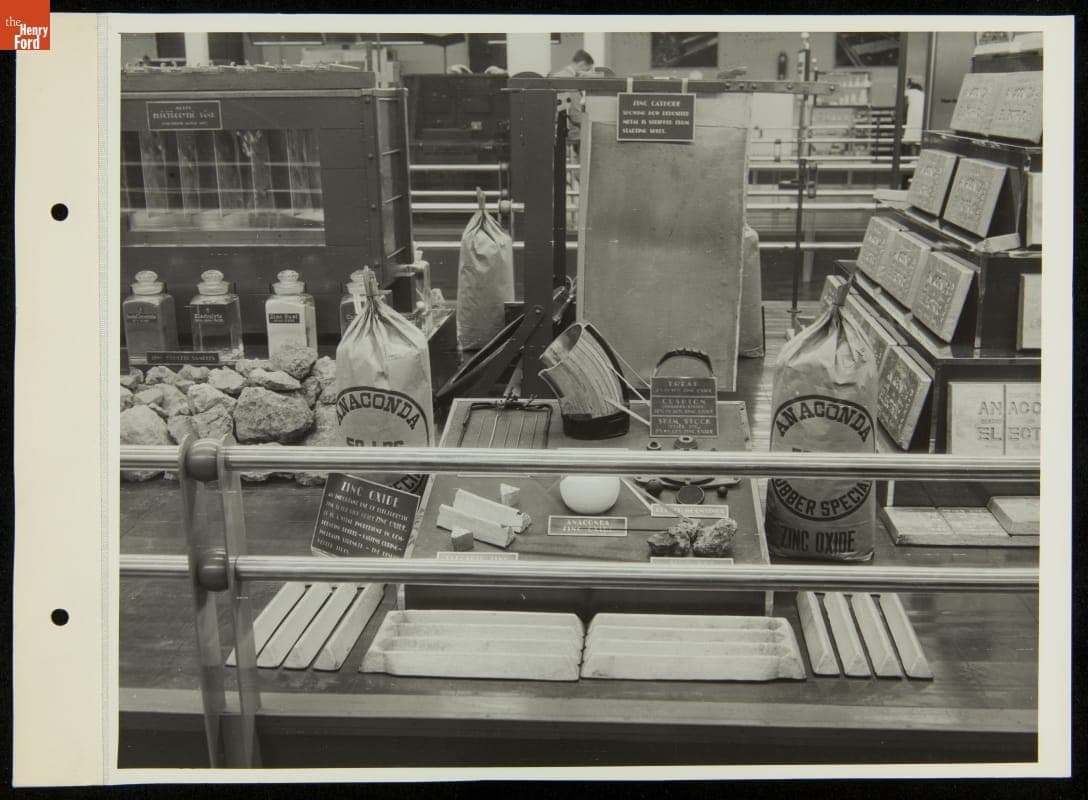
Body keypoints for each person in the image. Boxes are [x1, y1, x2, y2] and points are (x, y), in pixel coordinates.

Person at [550, 50, 595, 154]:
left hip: (556, 129)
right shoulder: (570, 80)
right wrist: (591, 126)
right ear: (582, 64)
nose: (587, 75)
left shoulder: (559, 75)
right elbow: (575, 113)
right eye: (587, 70)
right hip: (569, 132)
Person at [903, 77, 925, 156]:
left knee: (912, 141)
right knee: (918, 142)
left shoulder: (909, 92)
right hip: (922, 121)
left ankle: (911, 159)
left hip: (912, 119)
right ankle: (916, 159)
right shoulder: (922, 95)